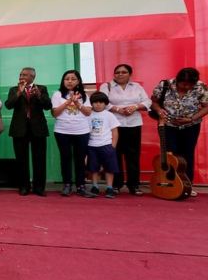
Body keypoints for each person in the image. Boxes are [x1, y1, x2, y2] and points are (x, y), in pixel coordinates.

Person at [150, 67, 208, 195]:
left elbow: (206, 106)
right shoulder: (165, 85)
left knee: (187, 154)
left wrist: (192, 118)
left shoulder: (201, 87)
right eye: (184, 84)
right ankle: (170, 183)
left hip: (191, 126)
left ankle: (187, 185)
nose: (187, 87)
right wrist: (159, 110)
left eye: (190, 85)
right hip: (168, 125)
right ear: (177, 80)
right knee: (170, 154)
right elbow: (154, 102)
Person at [100, 64, 151, 196]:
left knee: (133, 155)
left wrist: (135, 107)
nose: (120, 74)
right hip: (113, 125)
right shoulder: (106, 86)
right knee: (114, 154)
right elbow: (102, 102)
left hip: (134, 124)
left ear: (130, 74)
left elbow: (147, 101)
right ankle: (116, 185)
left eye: (124, 72)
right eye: (117, 72)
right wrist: (118, 109)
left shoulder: (137, 87)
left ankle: (134, 185)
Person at [5, 67, 52, 196]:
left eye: (25, 75)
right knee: (21, 160)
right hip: (19, 129)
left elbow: (48, 106)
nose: (21, 77)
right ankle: (23, 187)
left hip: (38, 129)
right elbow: (8, 105)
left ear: (33, 77)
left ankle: (39, 188)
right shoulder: (14, 89)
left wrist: (39, 95)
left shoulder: (41, 88)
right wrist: (19, 93)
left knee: (39, 159)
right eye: (20, 74)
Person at [51, 70, 91, 197]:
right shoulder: (57, 94)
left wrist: (77, 102)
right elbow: (55, 113)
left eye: (73, 79)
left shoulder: (84, 95)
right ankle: (67, 184)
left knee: (80, 159)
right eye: (67, 79)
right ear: (63, 81)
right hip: (62, 131)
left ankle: (81, 186)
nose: (70, 81)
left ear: (78, 81)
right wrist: (68, 101)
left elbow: (88, 113)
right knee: (65, 158)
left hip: (82, 131)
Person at [87, 92, 121, 199]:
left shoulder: (109, 115)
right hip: (92, 145)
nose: (98, 104)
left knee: (110, 168)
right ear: (91, 103)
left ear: (105, 103)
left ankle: (109, 188)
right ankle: (95, 186)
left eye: (101, 102)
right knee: (93, 168)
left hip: (106, 145)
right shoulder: (88, 114)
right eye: (95, 102)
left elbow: (115, 131)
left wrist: (113, 146)